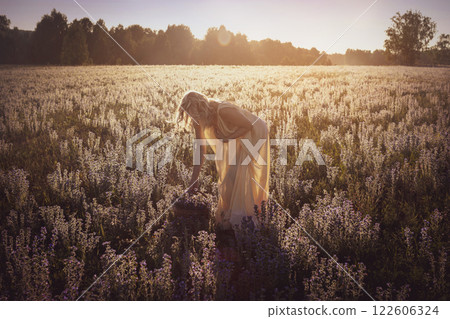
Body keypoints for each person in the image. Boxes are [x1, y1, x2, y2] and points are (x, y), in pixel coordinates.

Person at [177, 91, 270, 230]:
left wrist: (229, 138)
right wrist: (194, 180)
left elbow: (248, 125)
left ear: (201, 107)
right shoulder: (199, 120)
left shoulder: (223, 111)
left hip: (255, 132)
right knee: (230, 178)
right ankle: (234, 219)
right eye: (190, 115)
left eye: (194, 113)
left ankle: (244, 221)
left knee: (239, 174)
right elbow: (200, 149)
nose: (193, 118)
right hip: (238, 135)